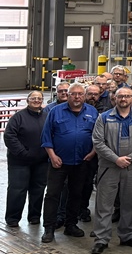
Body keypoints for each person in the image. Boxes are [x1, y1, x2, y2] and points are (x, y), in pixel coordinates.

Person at [90, 86, 132, 254]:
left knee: (130, 203)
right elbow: (98, 142)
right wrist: (116, 159)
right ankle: (101, 239)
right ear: (115, 99)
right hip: (109, 167)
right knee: (104, 205)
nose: (124, 99)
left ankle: (127, 235)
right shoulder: (104, 117)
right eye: (120, 96)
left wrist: (130, 158)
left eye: (127, 96)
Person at [40, 83, 97, 243]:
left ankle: (71, 225)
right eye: (73, 94)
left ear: (84, 96)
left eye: (80, 94)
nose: (77, 97)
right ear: (68, 95)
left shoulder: (93, 112)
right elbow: (46, 136)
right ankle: (49, 228)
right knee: (52, 195)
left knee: (76, 194)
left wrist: (93, 152)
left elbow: (98, 136)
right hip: (58, 162)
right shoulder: (55, 111)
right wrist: (52, 156)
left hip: (82, 161)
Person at [4, 90, 49, 227]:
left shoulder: (47, 116)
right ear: (28, 100)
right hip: (20, 161)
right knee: (17, 190)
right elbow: (9, 136)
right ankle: (12, 218)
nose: (36, 100)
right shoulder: (18, 117)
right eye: (33, 98)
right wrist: (23, 152)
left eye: (39, 98)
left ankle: (34, 216)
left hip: (41, 161)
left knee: (38, 189)